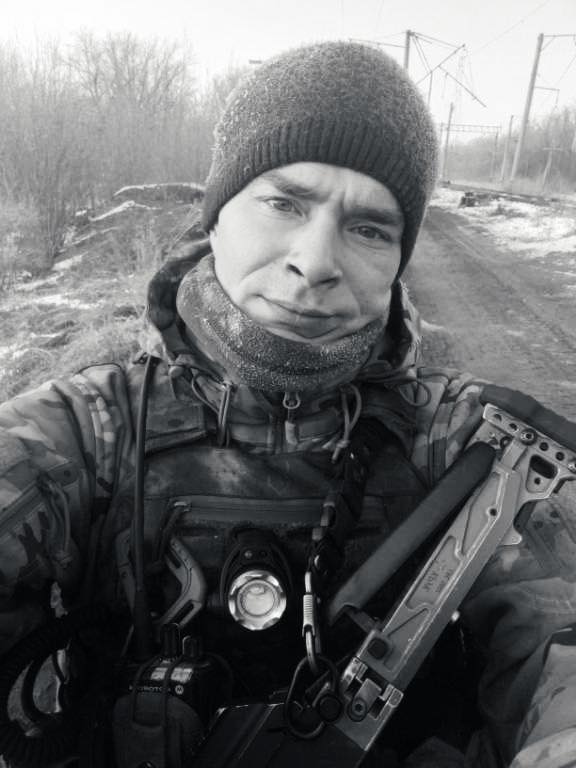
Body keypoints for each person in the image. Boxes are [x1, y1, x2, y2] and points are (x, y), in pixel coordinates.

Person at [0, 40, 575, 768]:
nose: (316, 261)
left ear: (399, 260)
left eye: (369, 228)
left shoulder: (472, 446)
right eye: (283, 203)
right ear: (215, 217)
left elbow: (558, 632)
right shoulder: (86, 433)